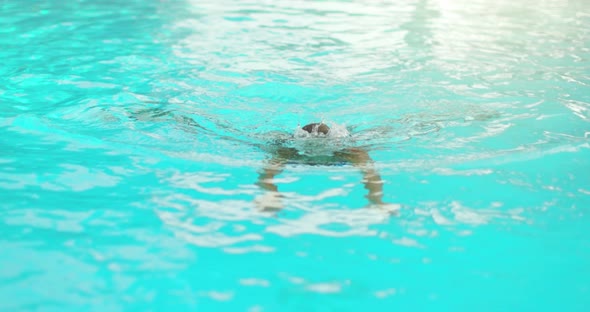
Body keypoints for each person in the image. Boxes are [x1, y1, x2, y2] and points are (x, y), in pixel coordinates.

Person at [255, 122, 396, 214]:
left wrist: (376, 200)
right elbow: (267, 174)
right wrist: (270, 195)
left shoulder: (351, 152)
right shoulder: (288, 151)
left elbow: (370, 175)